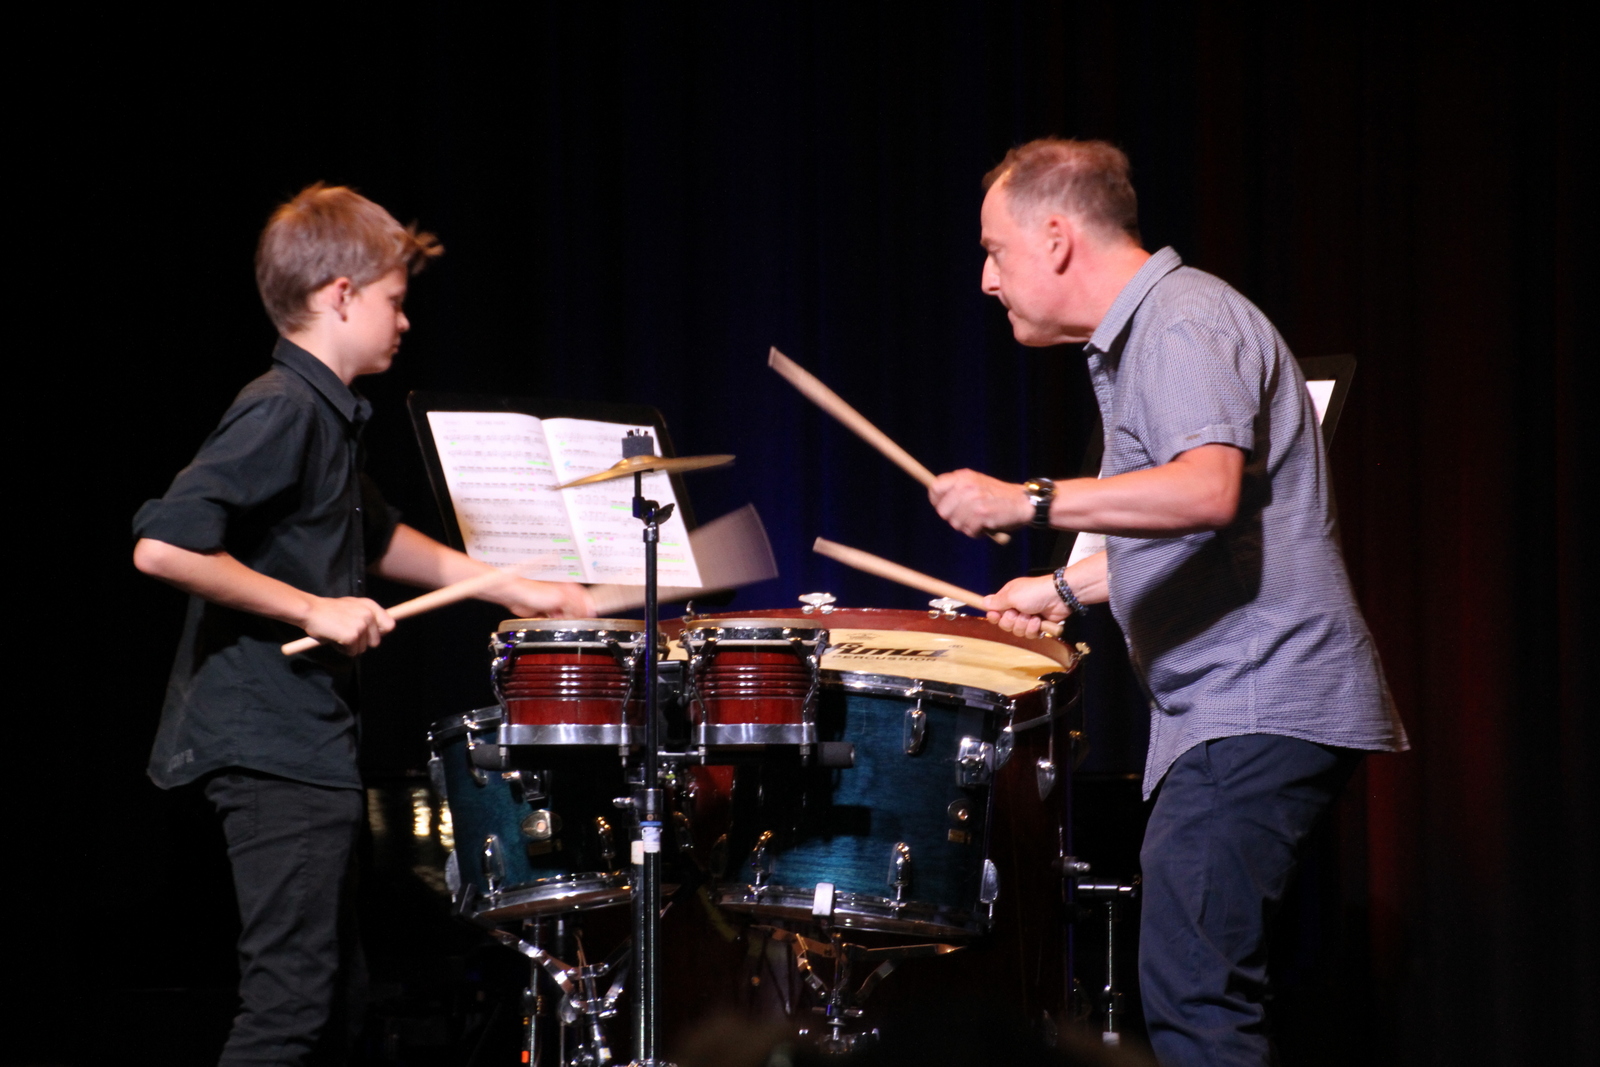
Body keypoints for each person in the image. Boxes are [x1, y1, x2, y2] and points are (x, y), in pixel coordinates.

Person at [928, 139, 1408, 1066]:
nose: (987, 279)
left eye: (994, 250)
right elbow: (1190, 528)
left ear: (1056, 237)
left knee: (1195, 993)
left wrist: (1026, 501)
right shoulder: (1153, 334)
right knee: (1193, 986)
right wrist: (1060, 588)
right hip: (1238, 707)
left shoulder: (1181, 323)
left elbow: (1206, 490)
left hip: (1258, 699)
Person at [132, 183, 592, 1065]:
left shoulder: (326, 416)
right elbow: (163, 546)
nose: (405, 321)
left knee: (336, 1006)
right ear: (339, 294)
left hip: (303, 738)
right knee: (290, 1011)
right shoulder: (281, 405)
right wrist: (313, 606)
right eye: (393, 299)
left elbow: (375, 535)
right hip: (269, 740)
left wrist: (513, 585)